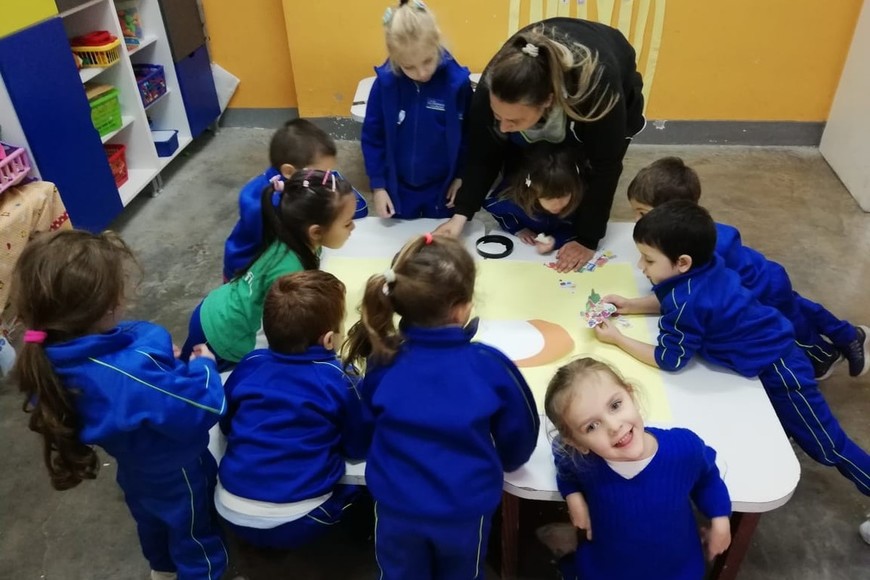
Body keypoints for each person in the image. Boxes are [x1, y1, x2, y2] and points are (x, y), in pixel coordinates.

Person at [593, 201, 870, 531]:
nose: (641, 266)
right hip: (778, 348)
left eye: (649, 260)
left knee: (827, 445)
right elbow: (674, 295)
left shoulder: (687, 301)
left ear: (682, 262)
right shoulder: (707, 265)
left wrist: (617, 339)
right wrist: (632, 306)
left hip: (781, 371)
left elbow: (670, 359)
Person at [12, 230, 227, 580]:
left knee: (153, 523)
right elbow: (200, 408)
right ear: (106, 308)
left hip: (134, 466)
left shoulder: (47, 359)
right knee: (194, 533)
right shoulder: (130, 374)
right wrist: (204, 366)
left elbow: (124, 344)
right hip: (176, 468)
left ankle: (162, 571)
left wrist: (155, 363)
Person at [342, 234, 540, 579]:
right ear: (461, 307)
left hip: (396, 505)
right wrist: (508, 460)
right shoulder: (489, 366)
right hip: (464, 510)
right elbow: (520, 435)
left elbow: (360, 433)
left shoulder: (382, 361)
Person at [625, 156, 869, 380]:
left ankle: (825, 357)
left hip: (763, 291)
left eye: (643, 213)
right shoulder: (698, 233)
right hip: (768, 278)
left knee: (793, 327)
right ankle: (848, 335)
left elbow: (693, 296)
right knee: (803, 308)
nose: (638, 222)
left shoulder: (699, 249)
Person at [434, 17, 644, 273]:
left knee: (580, 172)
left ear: (548, 100)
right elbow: (484, 152)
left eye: (514, 119)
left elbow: (606, 165)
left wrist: (588, 239)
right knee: (522, 158)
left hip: (608, 65)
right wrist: (461, 216)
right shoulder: (495, 85)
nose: (503, 126)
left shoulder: (596, 90)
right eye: (499, 116)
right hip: (545, 80)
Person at [215, 270, 371, 549]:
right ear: (328, 340)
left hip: (229, 507)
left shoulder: (251, 363)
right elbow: (358, 448)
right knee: (362, 487)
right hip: (299, 520)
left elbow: (226, 422)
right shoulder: (341, 378)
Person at [544, 357, 731, 579]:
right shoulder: (585, 461)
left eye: (615, 405)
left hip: (678, 570)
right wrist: (573, 497)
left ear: (631, 394)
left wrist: (720, 518)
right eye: (592, 426)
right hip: (606, 570)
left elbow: (708, 477)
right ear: (577, 444)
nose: (614, 427)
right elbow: (561, 454)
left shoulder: (684, 448)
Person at [182, 169, 358, 367]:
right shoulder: (290, 273)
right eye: (347, 223)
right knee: (187, 383)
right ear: (316, 231)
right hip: (220, 335)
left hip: (216, 309)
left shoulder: (293, 236)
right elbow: (284, 339)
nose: (353, 228)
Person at [362, 0, 472, 219]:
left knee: (440, 245)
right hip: (398, 188)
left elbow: (469, 136)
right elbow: (373, 138)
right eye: (408, 67)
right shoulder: (385, 85)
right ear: (395, 59)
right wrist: (379, 186)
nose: (421, 73)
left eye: (428, 61)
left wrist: (461, 176)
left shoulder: (457, 85)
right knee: (399, 244)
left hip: (442, 187)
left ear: (437, 44)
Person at [223, 119, 367, 281]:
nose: (326, 180)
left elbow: (357, 206)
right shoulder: (277, 203)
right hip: (245, 273)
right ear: (289, 171)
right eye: (322, 172)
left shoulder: (287, 185)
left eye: (329, 173)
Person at [484, 144, 585, 254]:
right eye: (548, 197)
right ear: (533, 190)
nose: (558, 204)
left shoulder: (579, 197)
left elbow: (577, 226)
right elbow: (491, 206)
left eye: (564, 195)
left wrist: (556, 240)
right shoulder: (513, 199)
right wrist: (518, 229)